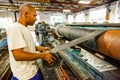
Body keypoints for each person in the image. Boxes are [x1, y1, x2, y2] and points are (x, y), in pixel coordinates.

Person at [7, 4, 54, 80]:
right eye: (34, 16)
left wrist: (40, 48)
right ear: (26, 14)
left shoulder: (25, 28)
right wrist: (43, 55)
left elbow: (27, 46)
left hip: (33, 70)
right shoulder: (15, 28)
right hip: (25, 76)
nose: (35, 19)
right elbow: (18, 55)